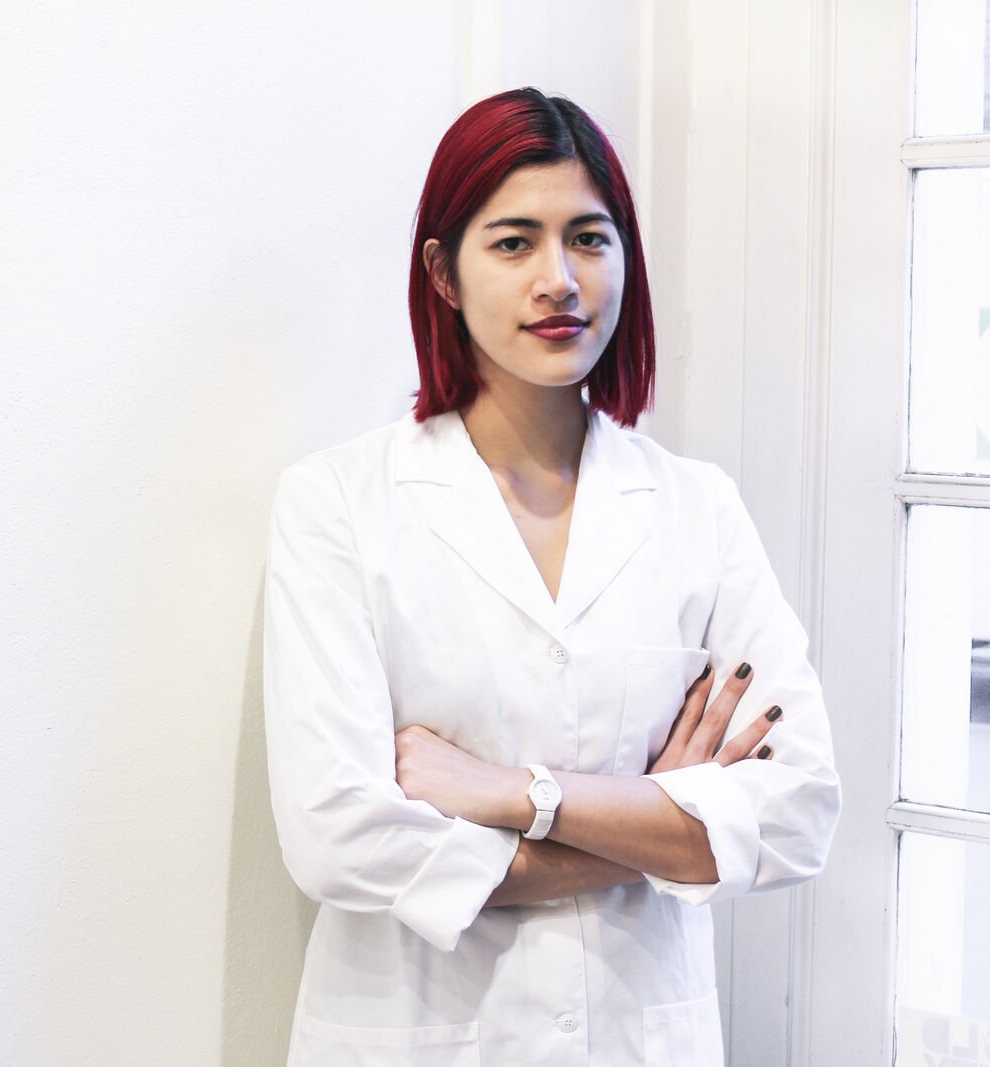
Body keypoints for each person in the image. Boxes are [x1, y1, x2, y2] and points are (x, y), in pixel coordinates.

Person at [261, 87, 840, 1066]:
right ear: (442, 274)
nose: (559, 279)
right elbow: (337, 835)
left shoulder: (697, 507)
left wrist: (507, 789)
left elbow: (796, 812)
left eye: (588, 238)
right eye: (514, 242)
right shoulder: (337, 502)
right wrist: (654, 816)